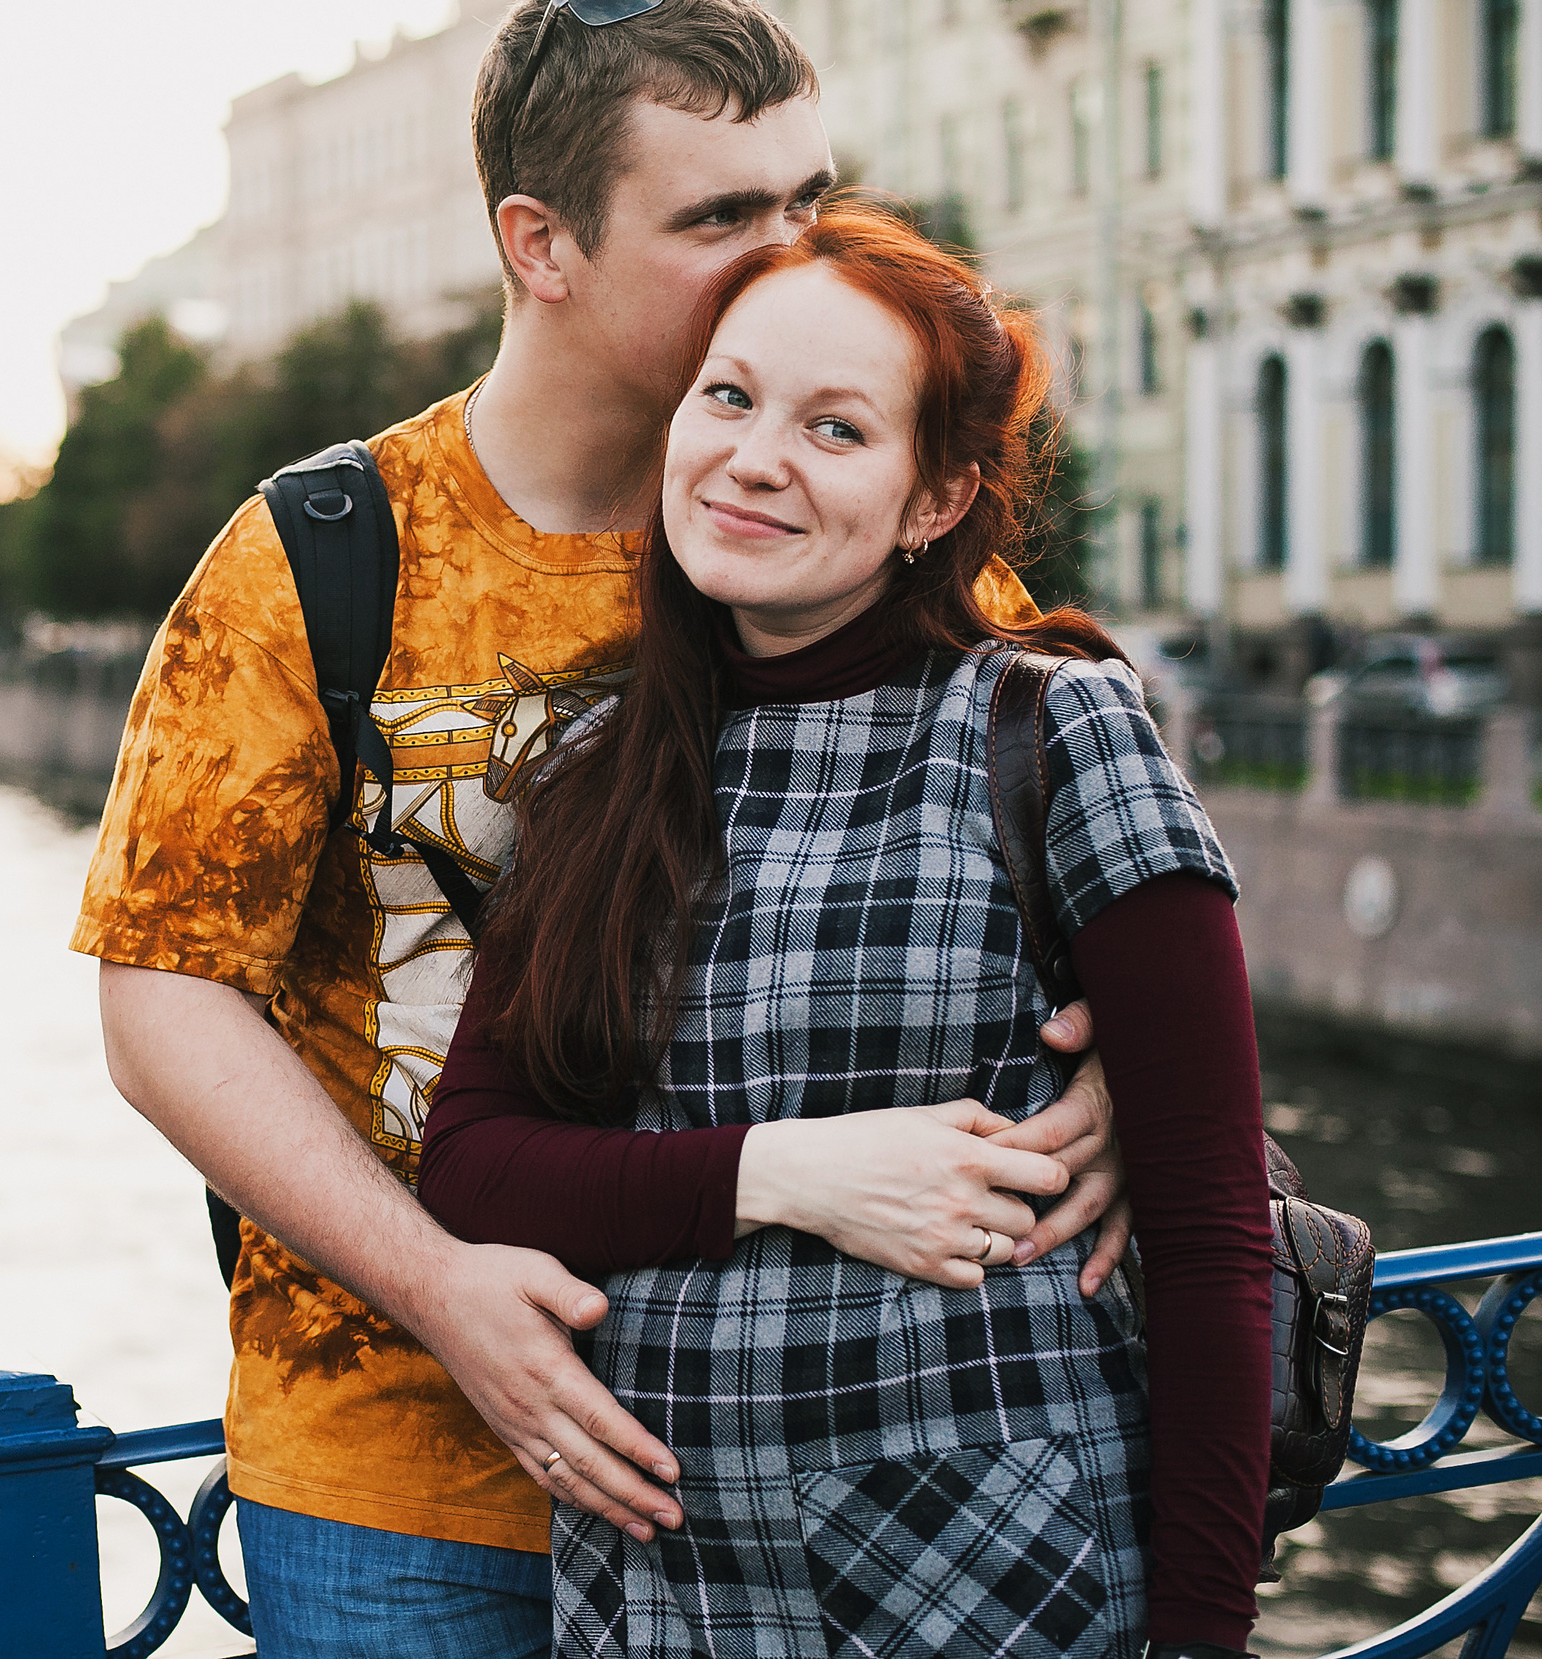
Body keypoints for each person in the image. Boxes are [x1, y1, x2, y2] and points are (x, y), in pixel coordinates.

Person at [76, 0, 1131, 1653]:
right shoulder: (319, 559)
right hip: (405, 1471)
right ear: (541, 245)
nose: (788, 257)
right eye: (721, 218)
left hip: (807, 1465)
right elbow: (162, 998)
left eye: (807, 197)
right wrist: (441, 1288)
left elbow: (1076, 837)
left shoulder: (835, 513)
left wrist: (1118, 1091)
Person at [418, 199, 1274, 1658]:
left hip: (996, 1586)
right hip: (667, 1596)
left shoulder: (1052, 726)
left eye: (835, 428)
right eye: (728, 397)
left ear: (933, 500)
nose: (755, 458)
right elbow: (478, 1166)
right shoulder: (598, 768)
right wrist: (789, 1174)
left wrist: (1202, 1640)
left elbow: (1211, 1235)